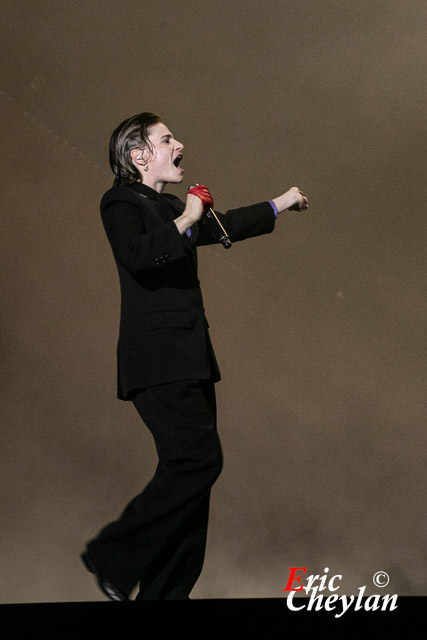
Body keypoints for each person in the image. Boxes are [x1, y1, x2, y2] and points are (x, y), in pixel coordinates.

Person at [80, 112, 309, 601]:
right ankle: (113, 555)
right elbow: (137, 254)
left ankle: (167, 595)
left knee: (195, 480)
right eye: (167, 139)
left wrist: (280, 203)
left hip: (190, 359)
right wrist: (186, 217)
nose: (179, 143)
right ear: (139, 155)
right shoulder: (120, 200)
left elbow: (224, 226)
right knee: (195, 462)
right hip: (158, 360)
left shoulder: (165, 205)